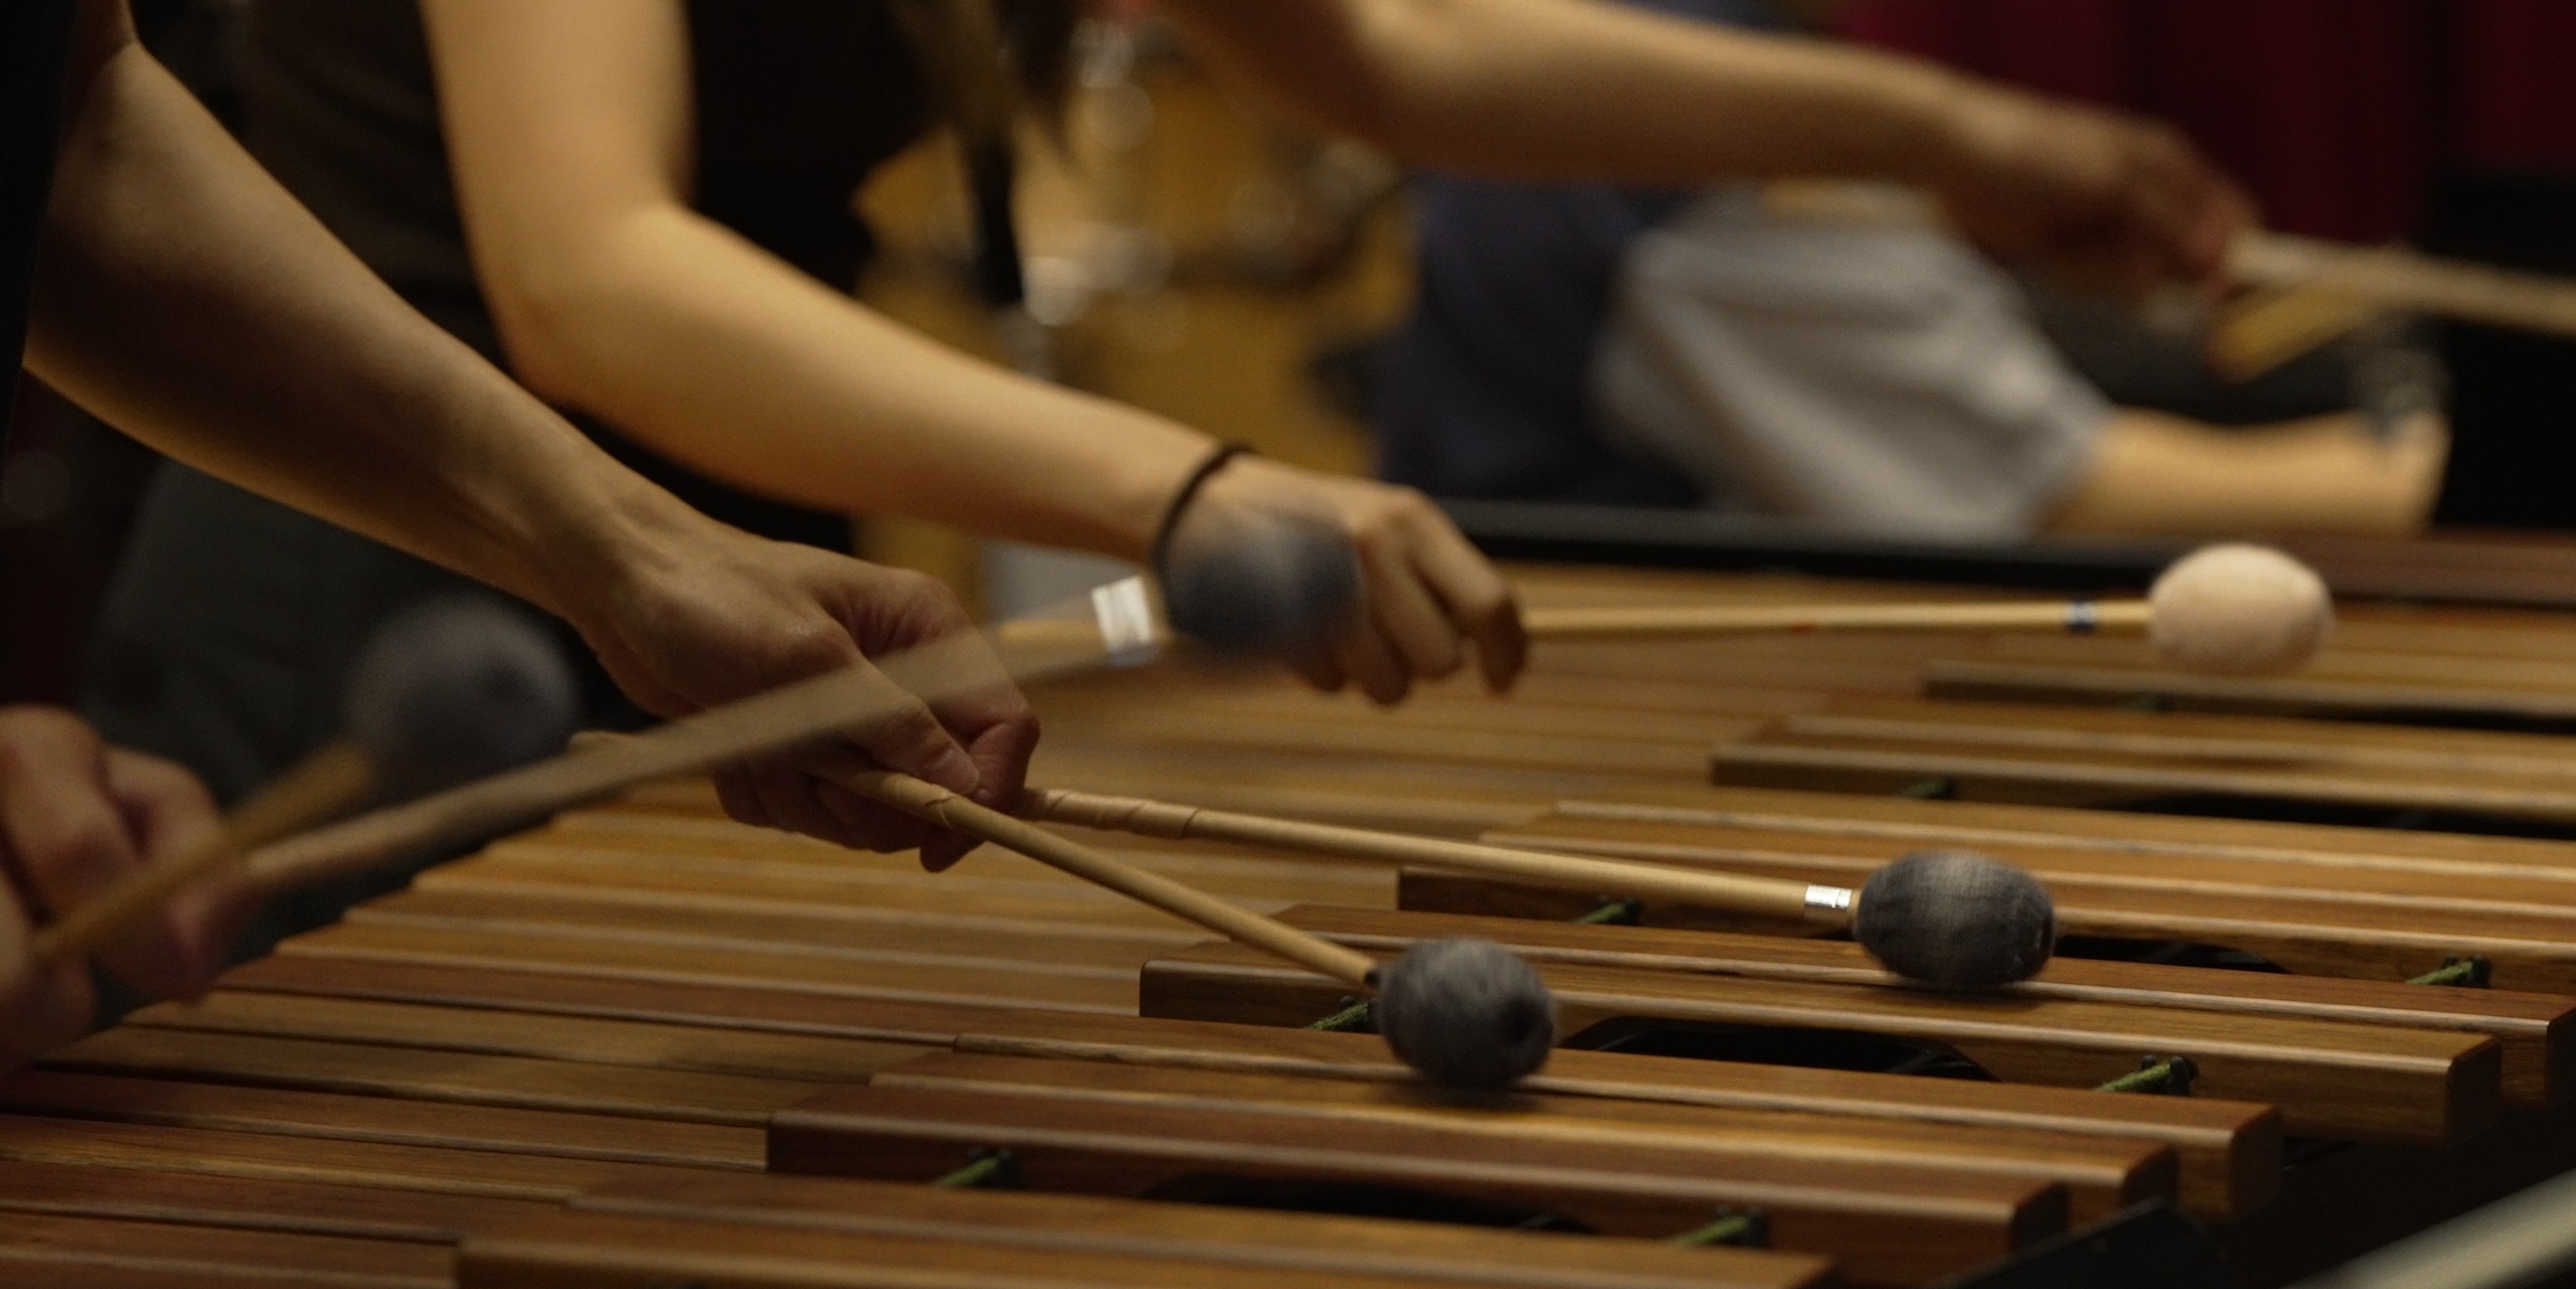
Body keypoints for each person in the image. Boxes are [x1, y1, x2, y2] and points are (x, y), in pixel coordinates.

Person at [100, 0, 2255, 825]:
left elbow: (1395, 55)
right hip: (382, 595)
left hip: (731, 586)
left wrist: (1943, 131)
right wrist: (1202, 490)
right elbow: (593, 276)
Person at [1, 0, 1035, 1067]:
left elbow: (75, 136)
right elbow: (583, 273)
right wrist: (1189, 495)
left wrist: (643, 556)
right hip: (348, 584)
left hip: (538, 538)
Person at [1375, 0, 2447, 541]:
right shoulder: (1665, 195)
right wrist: (2447, 472)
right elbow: (2052, 499)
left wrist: (1960, 140)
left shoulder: (1667, 56)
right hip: (1615, 750)